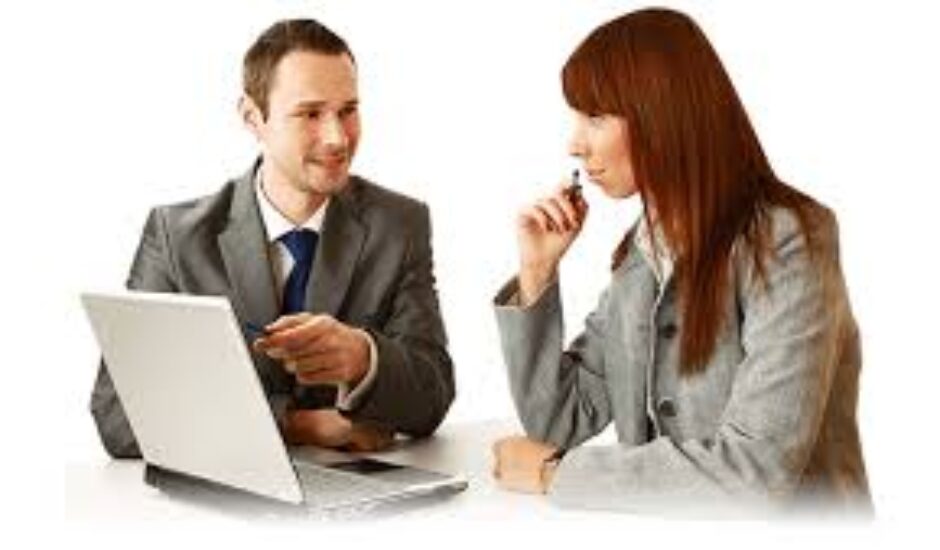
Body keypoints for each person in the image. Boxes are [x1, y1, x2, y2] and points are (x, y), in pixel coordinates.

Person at [491, 8, 869, 515]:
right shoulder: (644, 249)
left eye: (596, 117)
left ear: (660, 113)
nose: (575, 144)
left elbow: (757, 472)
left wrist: (554, 474)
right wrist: (537, 272)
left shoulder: (788, 238)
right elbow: (561, 421)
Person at [90, 18, 454, 458]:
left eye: (348, 110)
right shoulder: (177, 237)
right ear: (252, 118)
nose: (337, 137)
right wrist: (296, 425)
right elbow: (118, 416)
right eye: (310, 113)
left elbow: (432, 398)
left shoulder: (399, 224)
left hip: (361, 506)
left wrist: (364, 358)